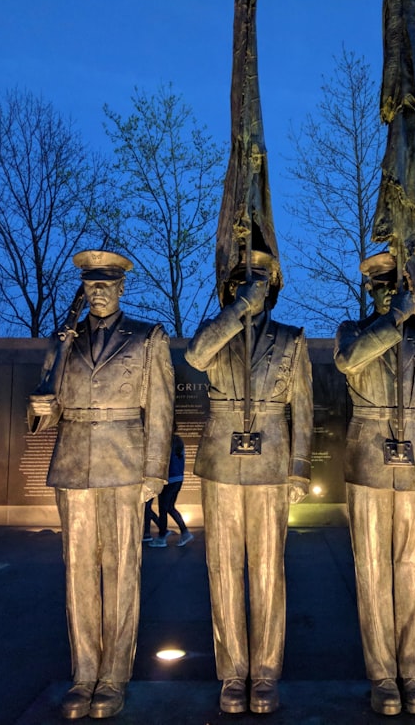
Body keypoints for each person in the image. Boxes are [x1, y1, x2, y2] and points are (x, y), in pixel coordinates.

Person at [28, 250, 174, 720]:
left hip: (125, 464)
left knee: (122, 572)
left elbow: (161, 409)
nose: (98, 292)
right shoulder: (63, 341)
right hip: (73, 464)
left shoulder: (147, 337)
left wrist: (155, 471)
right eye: (91, 286)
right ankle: (84, 673)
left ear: (121, 288)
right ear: (84, 289)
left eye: (106, 285)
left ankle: (114, 676)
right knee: (78, 575)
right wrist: (40, 410)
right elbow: (46, 411)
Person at [185, 248, 312, 715]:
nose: (252, 286)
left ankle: (265, 672)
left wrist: (299, 467)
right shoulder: (219, 332)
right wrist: (237, 310)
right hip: (221, 462)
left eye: (259, 280)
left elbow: (303, 406)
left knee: (267, 570)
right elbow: (196, 357)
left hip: (271, 461)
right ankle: (232, 671)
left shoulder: (291, 339)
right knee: (222, 570)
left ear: (274, 286)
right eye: (242, 280)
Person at [333, 251, 415, 716]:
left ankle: (413, 672)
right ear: (370, 290)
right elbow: (348, 362)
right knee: (372, 573)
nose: (390, 292)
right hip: (367, 460)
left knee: (413, 571)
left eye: (397, 285)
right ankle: (383, 674)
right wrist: (395, 319)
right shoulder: (353, 332)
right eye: (381, 286)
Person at [147, 430, 193, 547]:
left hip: (168, 479)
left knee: (163, 509)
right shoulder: (178, 440)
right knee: (170, 507)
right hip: (178, 478)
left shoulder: (165, 442)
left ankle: (162, 537)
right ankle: (184, 532)